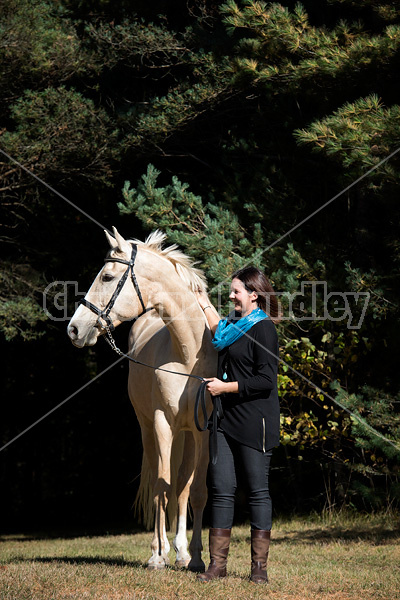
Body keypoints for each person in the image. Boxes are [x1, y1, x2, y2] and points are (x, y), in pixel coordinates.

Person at [195, 266, 280, 584]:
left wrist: (225, 387)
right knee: (221, 491)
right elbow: (217, 332)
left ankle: (259, 568)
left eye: (235, 291)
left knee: (258, 492)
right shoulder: (231, 326)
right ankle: (217, 565)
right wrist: (202, 301)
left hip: (255, 420)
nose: (231, 296)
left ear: (254, 294)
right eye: (231, 291)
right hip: (224, 419)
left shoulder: (264, 329)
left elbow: (265, 381)